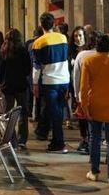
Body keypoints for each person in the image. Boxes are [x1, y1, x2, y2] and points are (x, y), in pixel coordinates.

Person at [80, 34, 109, 188]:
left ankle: (94, 171)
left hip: (95, 105)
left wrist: (84, 106)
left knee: (95, 138)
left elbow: (84, 87)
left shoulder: (89, 62)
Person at [31, 12, 70, 154]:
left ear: (41, 26)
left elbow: (36, 67)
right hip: (64, 79)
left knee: (55, 112)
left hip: (50, 81)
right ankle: (54, 139)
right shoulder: (63, 38)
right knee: (58, 110)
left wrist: (35, 84)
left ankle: (59, 143)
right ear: (54, 24)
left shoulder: (38, 43)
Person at [0, 28, 31, 147]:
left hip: (7, 86)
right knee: (23, 112)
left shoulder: (3, 51)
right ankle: (23, 139)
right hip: (21, 85)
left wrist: (0, 82)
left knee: (8, 114)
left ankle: (12, 139)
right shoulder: (23, 50)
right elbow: (28, 69)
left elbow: (0, 70)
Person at [72, 30, 98, 154]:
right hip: (101, 94)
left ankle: (86, 140)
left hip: (85, 93)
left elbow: (76, 77)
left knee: (83, 118)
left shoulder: (82, 55)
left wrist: (77, 95)